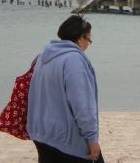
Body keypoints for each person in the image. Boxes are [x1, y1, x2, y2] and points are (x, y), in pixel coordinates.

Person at [27, 15, 104, 162]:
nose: (88, 45)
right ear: (81, 38)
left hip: (42, 135)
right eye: (89, 40)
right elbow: (82, 106)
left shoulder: (43, 56)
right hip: (67, 141)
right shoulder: (74, 60)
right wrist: (92, 140)